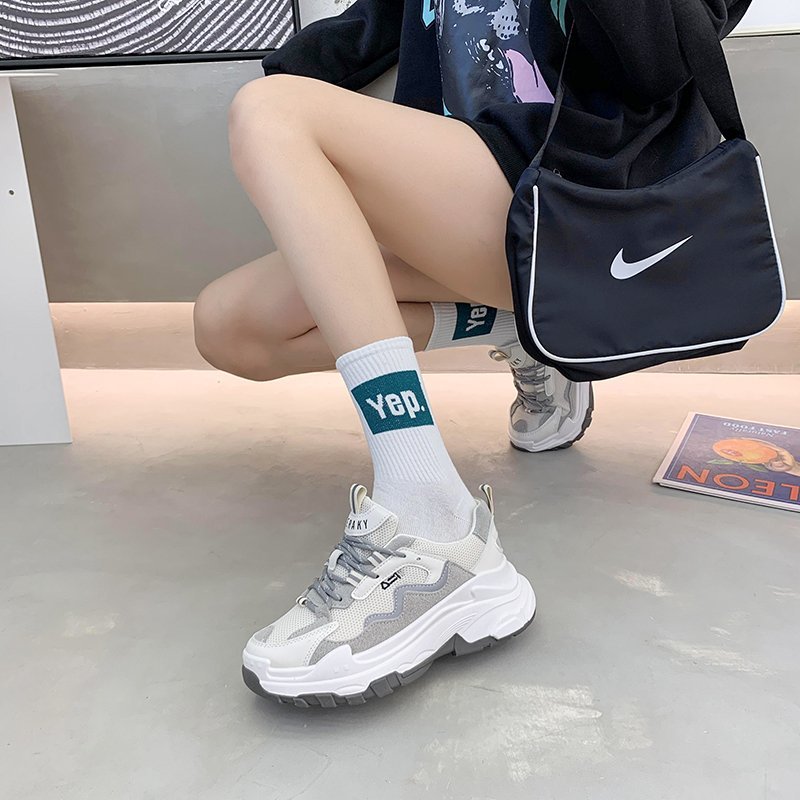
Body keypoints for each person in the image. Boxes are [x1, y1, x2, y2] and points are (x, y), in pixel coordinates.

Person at [192, 0, 752, 706]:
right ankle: (523, 332)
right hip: (465, 205)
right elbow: (363, 33)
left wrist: (284, 119)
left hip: (582, 196)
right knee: (232, 325)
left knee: (270, 114)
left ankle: (432, 521)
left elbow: (659, 58)